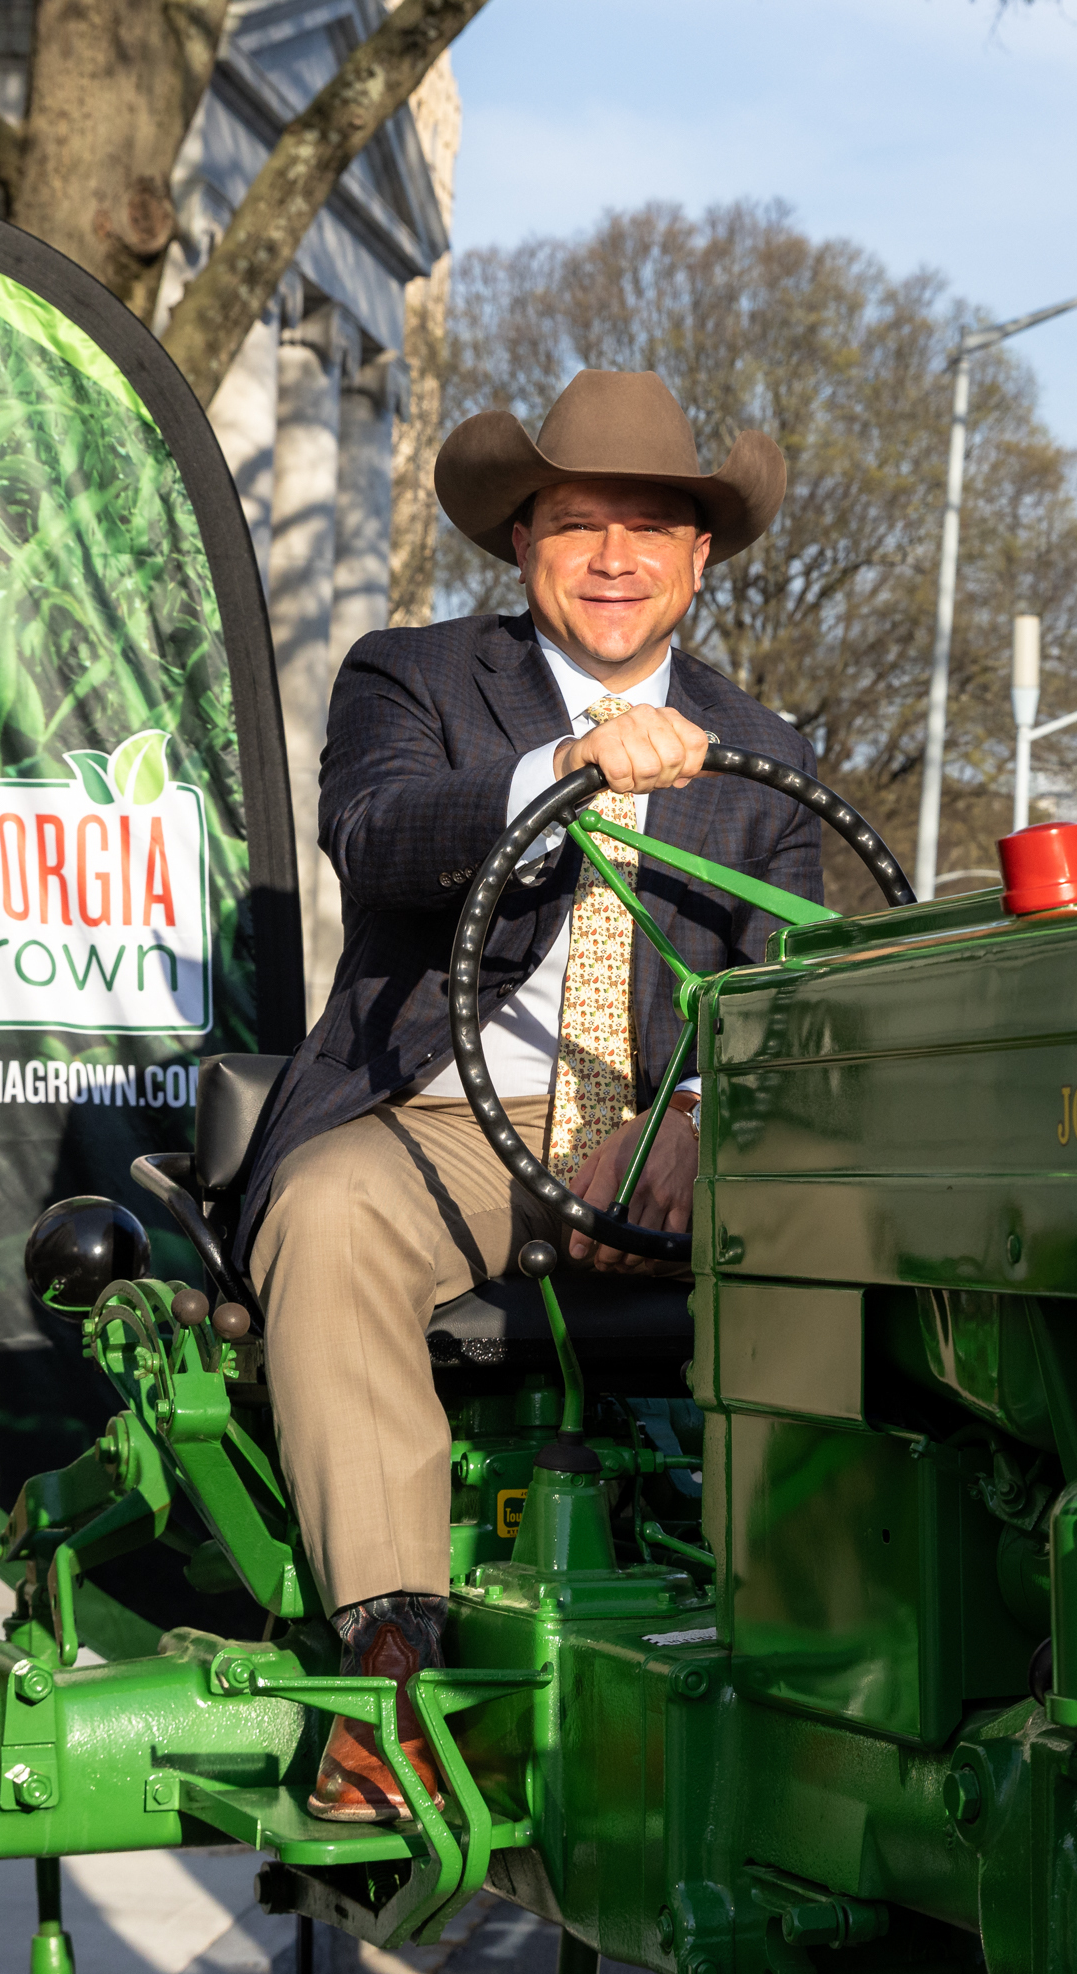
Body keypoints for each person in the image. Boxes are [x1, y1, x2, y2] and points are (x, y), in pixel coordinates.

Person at [225, 370, 823, 1821]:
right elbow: (379, 837)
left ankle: (836, 1653)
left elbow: (789, 984)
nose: (612, 558)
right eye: (575, 525)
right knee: (329, 1210)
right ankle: (393, 1674)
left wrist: (694, 1122)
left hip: (661, 1141)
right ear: (523, 548)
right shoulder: (415, 680)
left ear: (701, 558)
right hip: (444, 1123)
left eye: (647, 529)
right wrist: (565, 766)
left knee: (873, 1227)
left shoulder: (766, 755)